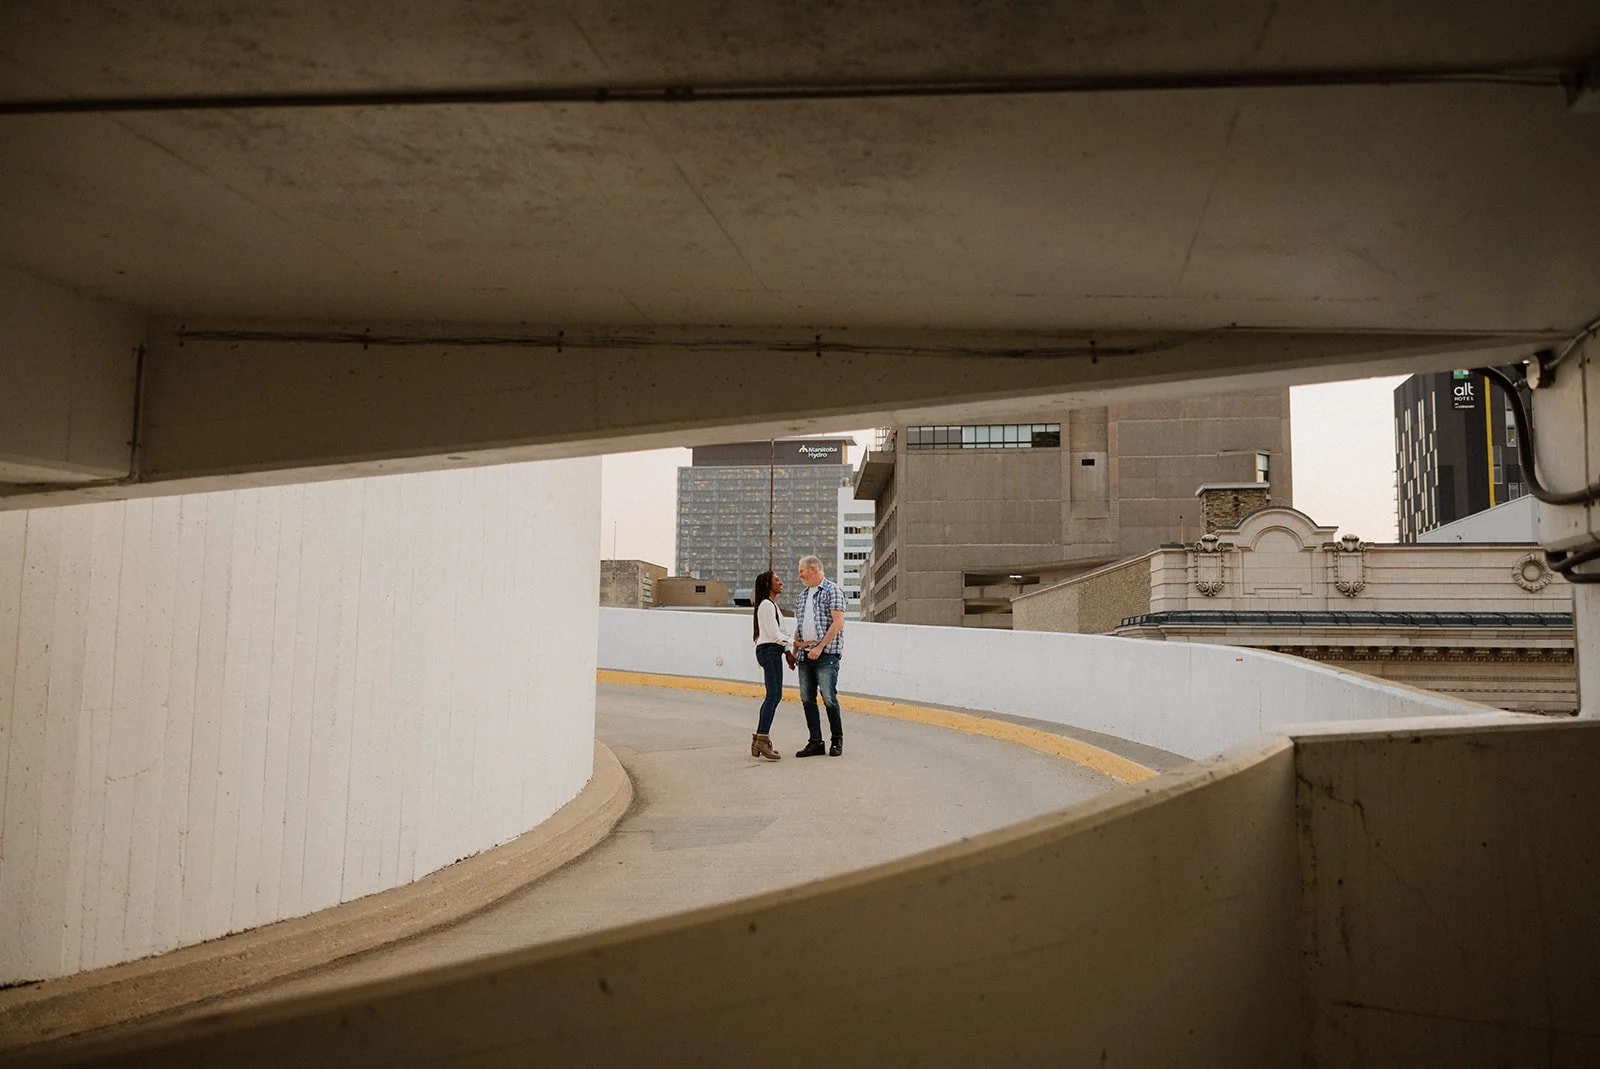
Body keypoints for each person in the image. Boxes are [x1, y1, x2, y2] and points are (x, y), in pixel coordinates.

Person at [791, 555, 847, 757]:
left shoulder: (833, 590)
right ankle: (815, 741)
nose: (800, 576)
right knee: (807, 698)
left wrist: (820, 647)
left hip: (827, 655)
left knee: (829, 698)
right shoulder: (802, 596)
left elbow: (838, 622)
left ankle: (836, 740)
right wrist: (795, 652)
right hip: (805, 656)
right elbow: (800, 626)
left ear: (813, 568)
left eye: (802, 571)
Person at [749, 570, 791, 761]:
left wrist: (788, 651)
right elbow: (775, 635)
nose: (780, 583)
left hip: (773, 650)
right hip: (769, 650)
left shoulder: (771, 604)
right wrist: (795, 644)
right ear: (768, 585)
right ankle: (762, 740)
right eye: (777, 580)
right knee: (773, 696)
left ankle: (759, 739)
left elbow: (779, 632)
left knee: (773, 696)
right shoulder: (766, 605)